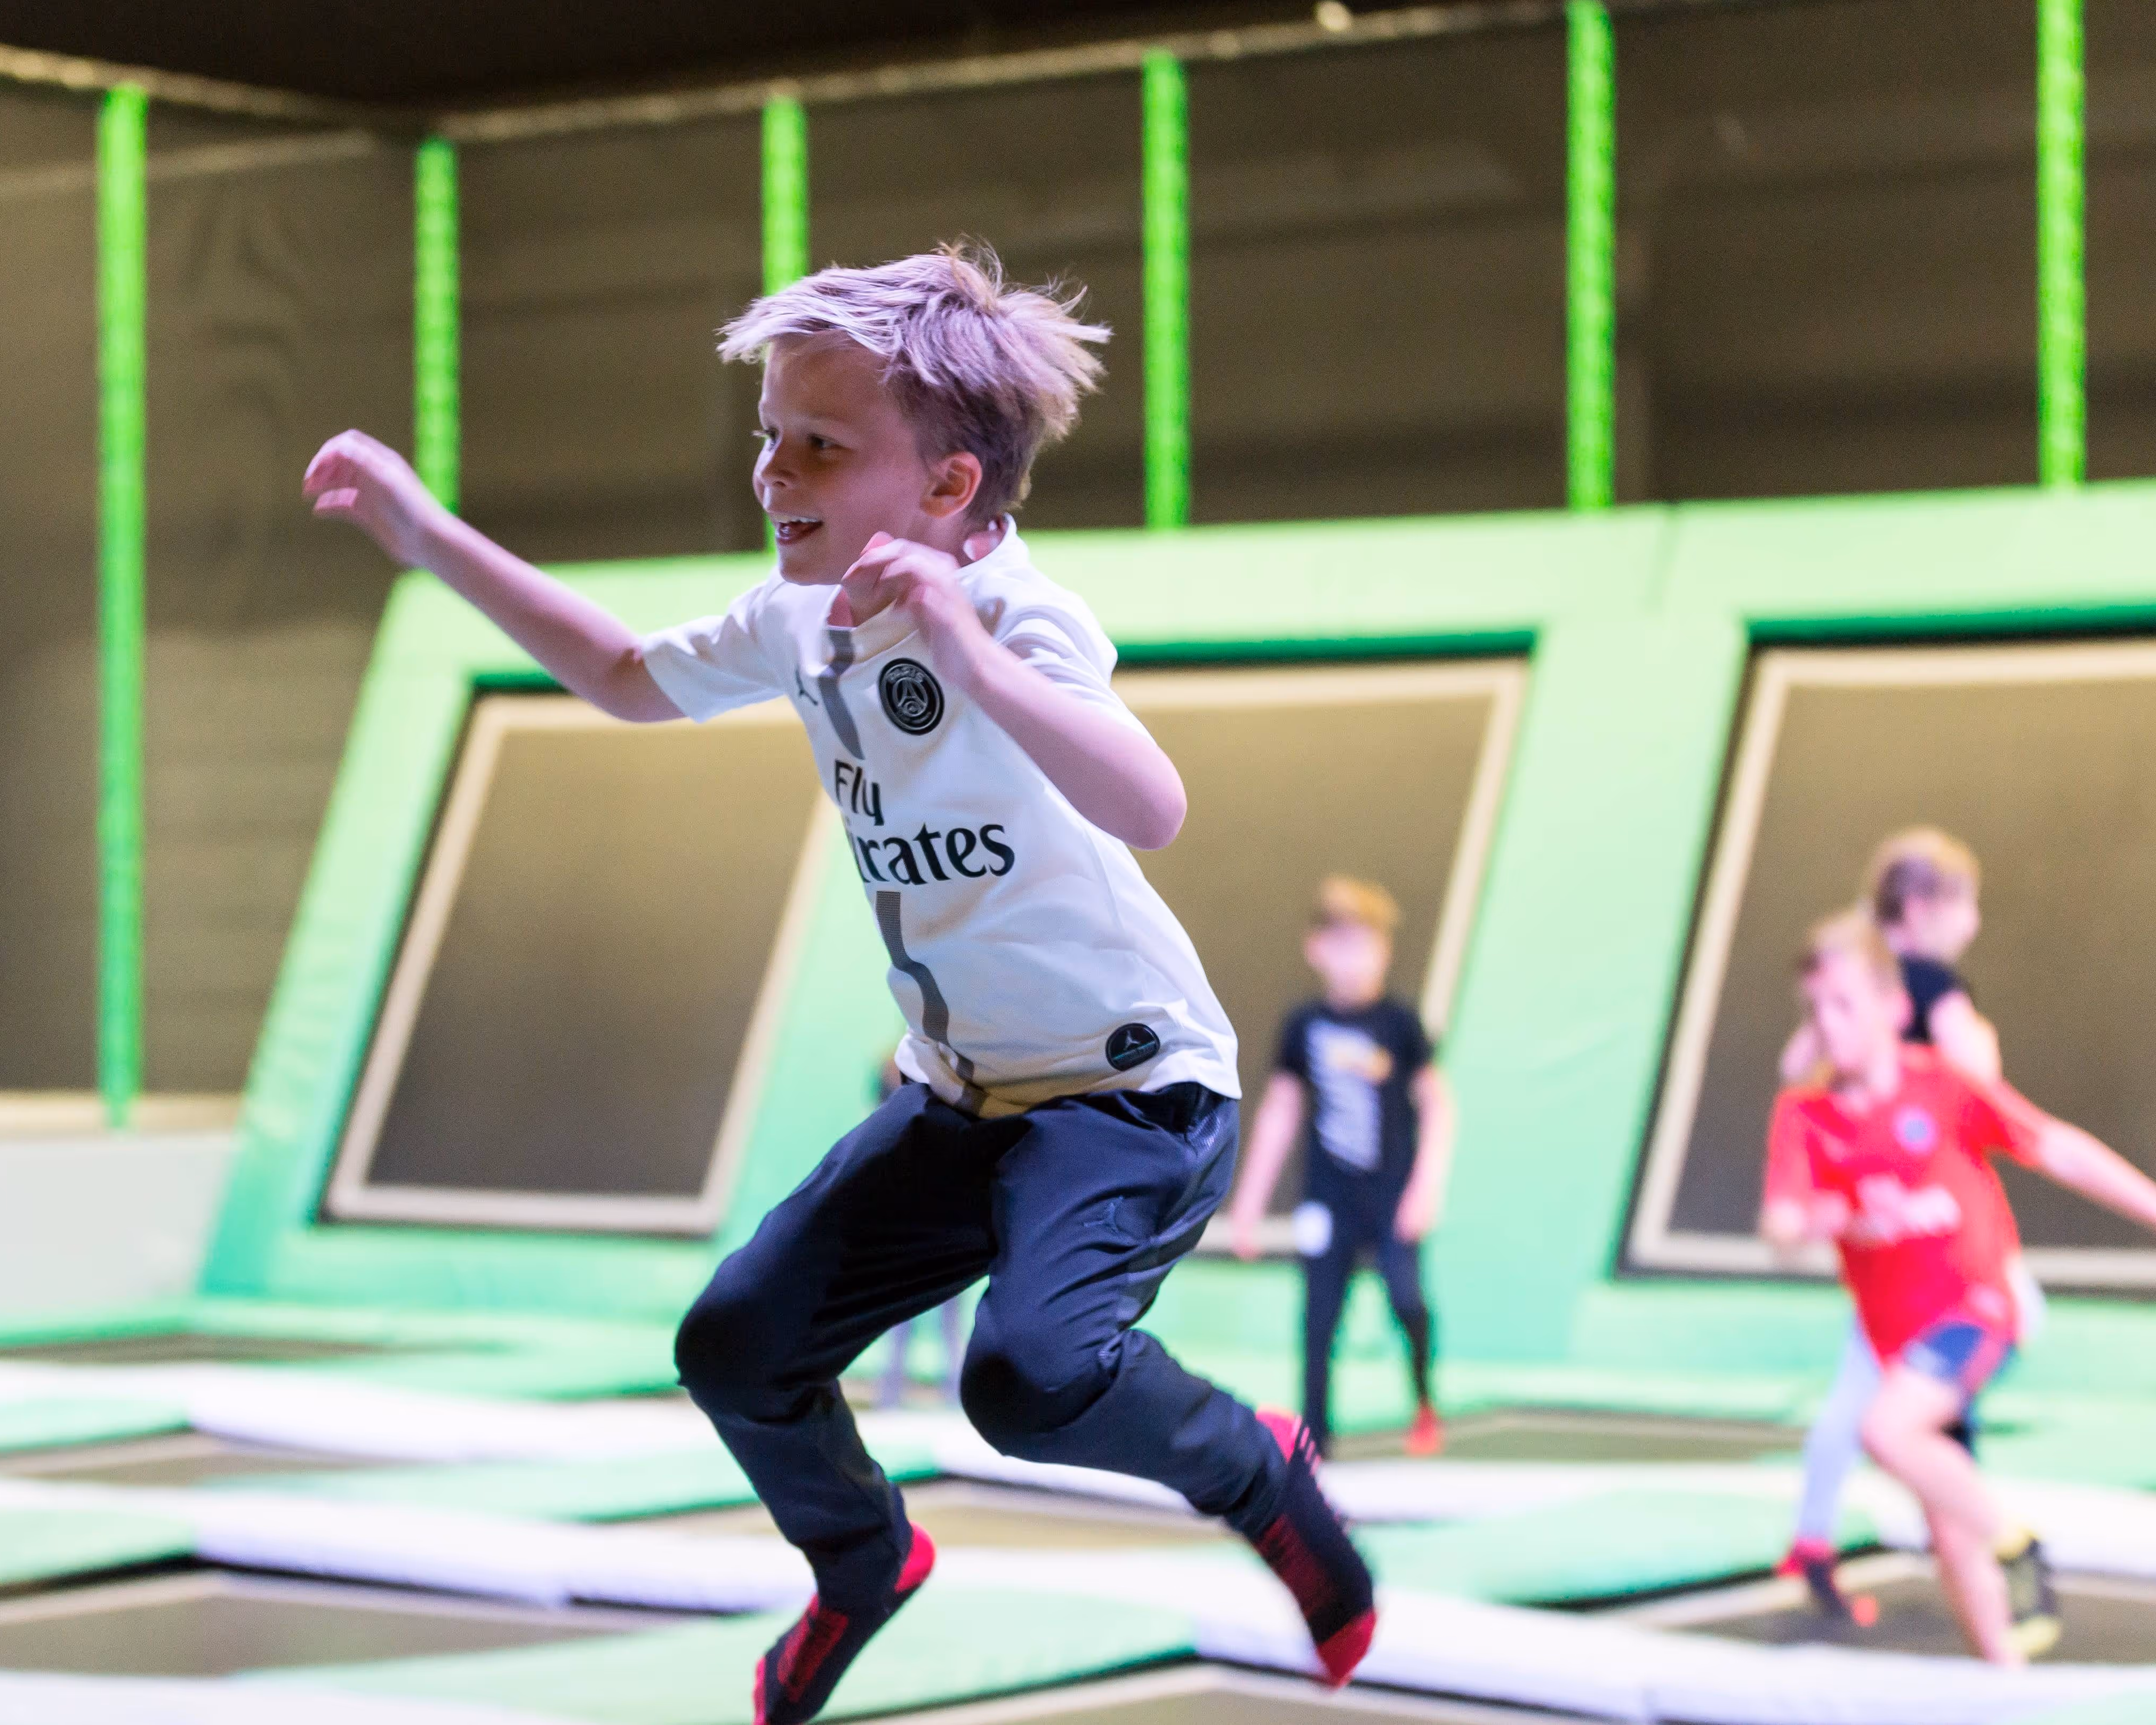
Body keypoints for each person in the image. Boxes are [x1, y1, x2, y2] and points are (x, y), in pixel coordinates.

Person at [306, 243, 1376, 1722]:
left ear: (944, 490)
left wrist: (961, 641)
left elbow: (1151, 803)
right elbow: (622, 672)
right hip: (963, 1098)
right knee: (736, 1347)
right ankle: (864, 1556)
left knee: (1030, 1375)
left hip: (1131, 1095)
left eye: (820, 444)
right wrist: (432, 537)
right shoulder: (801, 613)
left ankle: (1255, 1467)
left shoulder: (1015, 614)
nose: (772, 472)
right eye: (767, 435)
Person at [1760, 909, 2156, 1664]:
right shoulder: (1807, 1116)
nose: (1829, 1025)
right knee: (1948, 1531)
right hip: (1898, 1341)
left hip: (1977, 1308)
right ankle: (2005, 1680)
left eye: (1845, 1005)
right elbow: (1781, 1225)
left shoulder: (1942, 1087)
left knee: (1885, 1431)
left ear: (1892, 1007)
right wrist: (1836, 1213)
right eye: (1815, 1009)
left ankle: (2020, 1546)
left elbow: (2060, 1149)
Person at [1773, 828, 2039, 1623]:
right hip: (1924, 1237)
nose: (1974, 924)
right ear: (1923, 907)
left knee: (1874, 1388)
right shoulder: (1924, 981)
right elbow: (1978, 1079)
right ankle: (1986, 1540)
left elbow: (1796, 1067)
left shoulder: (1872, 984)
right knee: (1909, 1389)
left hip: (1889, 1232)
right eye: (1966, 905)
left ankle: (1821, 1535)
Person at [1225, 877, 1454, 1459]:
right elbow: (1280, 1111)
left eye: (1367, 944)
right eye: (1342, 943)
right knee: (1319, 1318)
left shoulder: (1398, 1024)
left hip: (1390, 1195)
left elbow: (1436, 1105)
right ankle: (1316, 1440)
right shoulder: (1303, 1026)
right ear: (1316, 949)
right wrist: (1248, 1202)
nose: (1354, 959)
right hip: (1326, 1199)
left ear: (1384, 950)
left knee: (1406, 1299)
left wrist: (1425, 1187)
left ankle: (1424, 1400)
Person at [867, 1053, 967, 1411]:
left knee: (948, 1313)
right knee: (900, 1313)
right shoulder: (895, 1131)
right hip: (908, 1217)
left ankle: (954, 1394)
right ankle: (891, 1393)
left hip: (941, 1215)